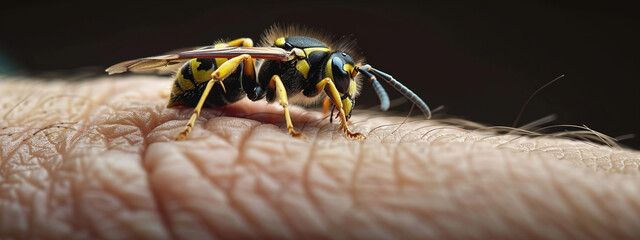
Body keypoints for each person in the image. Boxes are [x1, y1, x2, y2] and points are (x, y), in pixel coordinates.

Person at [1, 76, 639, 239]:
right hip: (204, 84)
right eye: (339, 84)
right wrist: (193, 113)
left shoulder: (319, 76)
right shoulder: (278, 71)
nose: (343, 92)